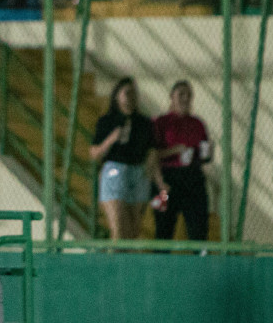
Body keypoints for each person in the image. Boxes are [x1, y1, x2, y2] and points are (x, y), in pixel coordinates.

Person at [89, 77, 169, 240]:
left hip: (138, 173)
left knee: (133, 233)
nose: (131, 97)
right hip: (115, 170)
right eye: (127, 93)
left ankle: (128, 264)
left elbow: (152, 153)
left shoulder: (144, 123)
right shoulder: (107, 120)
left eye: (134, 93)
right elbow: (94, 152)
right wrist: (111, 139)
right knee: (118, 230)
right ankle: (114, 265)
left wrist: (160, 183)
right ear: (117, 96)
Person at [152, 81, 211, 241]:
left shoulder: (197, 124)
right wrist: (174, 150)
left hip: (192, 176)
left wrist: (208, 152)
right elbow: (152, 154)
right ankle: (162, 262)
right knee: (164, 226)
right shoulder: (161, 122)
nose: (185, 99)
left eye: (189, 95)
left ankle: (199, 261)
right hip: (168, 177)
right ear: (172, 97)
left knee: (198, 226)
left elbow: (203, 155)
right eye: (181, 95)